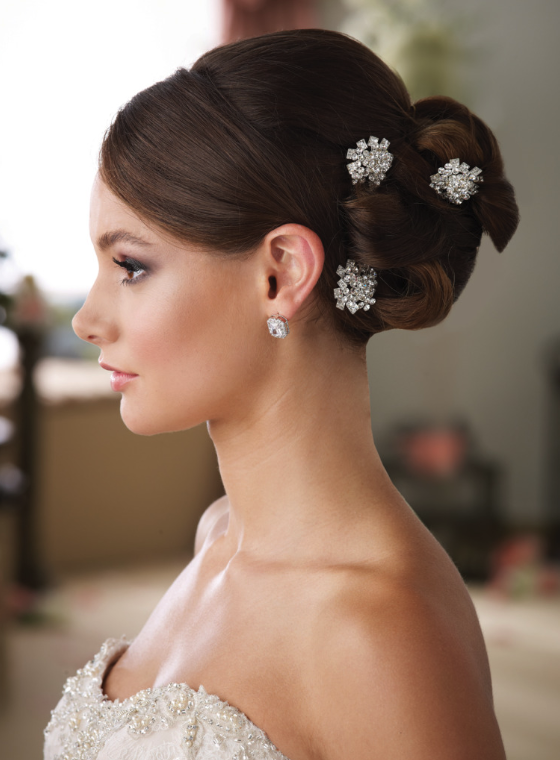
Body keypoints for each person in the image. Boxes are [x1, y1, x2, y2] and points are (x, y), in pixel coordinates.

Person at [44, 28, 519, 760]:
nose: (87, 319)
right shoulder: (219, 536)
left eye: (131, 267)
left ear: (281, 274)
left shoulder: (380, 629)